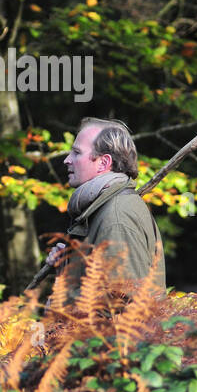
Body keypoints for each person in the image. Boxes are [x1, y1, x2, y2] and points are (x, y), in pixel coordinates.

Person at [44, 117, 165, 308]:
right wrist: (67, 270)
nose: (67, 160)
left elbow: (122, 311)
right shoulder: (103, 208)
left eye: (76, 153)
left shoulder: (116, 217)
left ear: (103, 163)